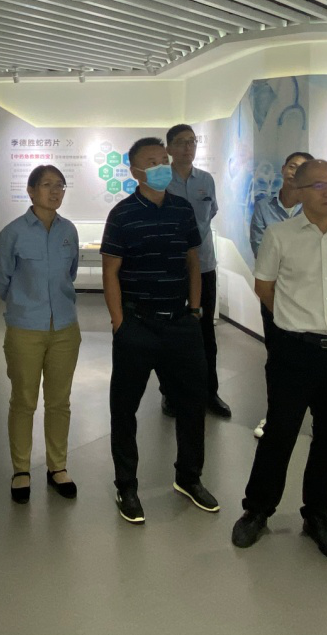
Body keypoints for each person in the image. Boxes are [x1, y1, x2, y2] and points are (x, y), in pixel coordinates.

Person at [231, 159, 327, 562]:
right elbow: (264, 287)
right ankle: (257, 510)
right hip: (294, 352)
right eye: (319, 185)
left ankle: (319, 517)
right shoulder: (280, 235)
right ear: (299, 190)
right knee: (279, 434)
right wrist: (297, 320)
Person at [101, 137, 218, 524]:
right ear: (135, 171)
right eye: (152, 162)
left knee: (192, 404)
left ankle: (189, 477)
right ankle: (126, 485)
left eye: (163, 159)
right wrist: (120, 323)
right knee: (125, 409)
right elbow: (111, 272)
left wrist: (195, 311)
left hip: (181, 323)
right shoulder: (122, 215)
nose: (162, 166)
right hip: (137, 325)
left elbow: (192, 261)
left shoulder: (182, 209)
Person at [0, 165, 81, 503]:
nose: (55, 191)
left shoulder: (68, 231)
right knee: (24, 401)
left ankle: (58, 466)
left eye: (60, 185)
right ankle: (21, 469)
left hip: (65, 328)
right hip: (25, 328)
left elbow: (70, 273)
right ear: (31, 191)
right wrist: (24, 305)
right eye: (47, 185)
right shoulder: (13, 232)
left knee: (59, 401)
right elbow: (2, 281)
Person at [161, 124, 230, 419]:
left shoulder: (206, 180)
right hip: (172, 269)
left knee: (205, 333)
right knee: (172, 332)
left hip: (204, 266)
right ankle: (170, 393)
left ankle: (209, 392)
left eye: (192, 141)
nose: (188, 147)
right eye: (181, 142)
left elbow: (209, 214)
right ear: (169, 148)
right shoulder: (161, 180)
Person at [248, 152, 313, 438]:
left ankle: (313, 416)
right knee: (277, 358)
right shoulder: (264, 207)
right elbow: (261, 251)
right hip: (273, 296)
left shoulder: (314, 209)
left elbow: (315, 258)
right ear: (284, 169)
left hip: (309, 298)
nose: (295, 171)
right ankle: (275, 416)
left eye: (302, 168)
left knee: (310, 360)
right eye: (292, 165)